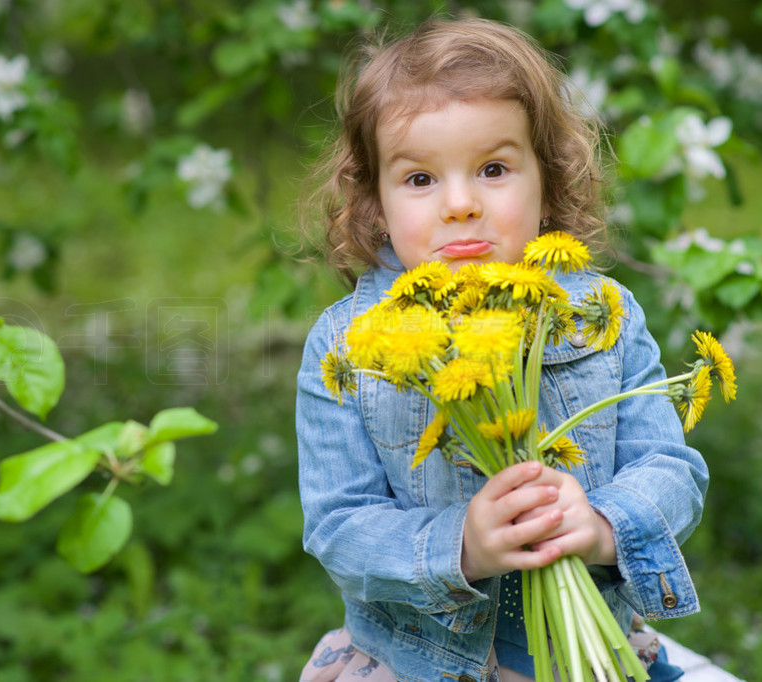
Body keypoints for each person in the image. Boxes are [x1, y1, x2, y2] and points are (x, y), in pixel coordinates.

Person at [295, 15, 707, 682]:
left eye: (493, 168)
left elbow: (670, 467)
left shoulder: (601, 315)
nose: (460, 205)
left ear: (546, 183)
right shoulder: (345, 348)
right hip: (418, 663)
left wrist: (603, 523)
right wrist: (462, 545)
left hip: (592, 655)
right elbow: (340, 527)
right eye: (420, 179)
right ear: (373, 203)